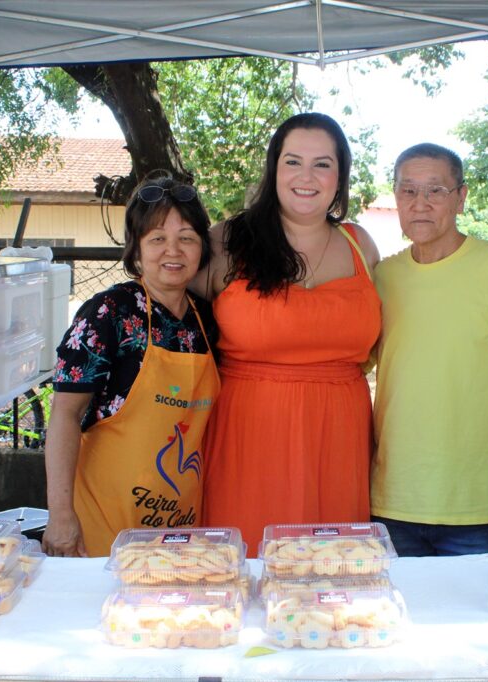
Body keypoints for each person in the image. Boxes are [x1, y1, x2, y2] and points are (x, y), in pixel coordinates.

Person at [194, 112, 381, 555]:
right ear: (274, 169)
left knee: (329, 577)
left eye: (322, 164)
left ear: (340, 176)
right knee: (246, 569)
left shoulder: (361, 245)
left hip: (340, 440)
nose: (306, 176)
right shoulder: (226, 242)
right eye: (293, 161)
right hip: (248, 436)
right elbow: (167, 309)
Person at [370, 143, 488, 557]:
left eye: (435, 191)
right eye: (408, 191)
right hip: (392, 500)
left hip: (483, 505)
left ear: (461, 197)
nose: (420, 204)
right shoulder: (383, 277)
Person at [42, 176, 220, 558]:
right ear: (136, 250)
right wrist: (60, 515)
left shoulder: (207, 321)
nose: (173, 250)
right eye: (157, 238)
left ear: (202, 249)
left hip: (181, 528)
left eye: (187, 237)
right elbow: (65, 415)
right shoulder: (109, 313)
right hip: (103, 526)